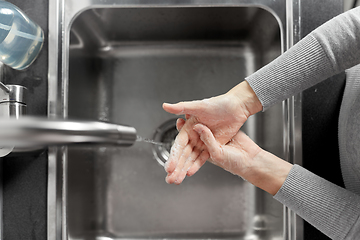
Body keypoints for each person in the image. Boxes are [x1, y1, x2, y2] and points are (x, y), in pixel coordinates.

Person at [162, 6, 360, 240]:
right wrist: (242, 101)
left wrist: (253, 164)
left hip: (332, 202)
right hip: (343, 86)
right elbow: (355, 31)